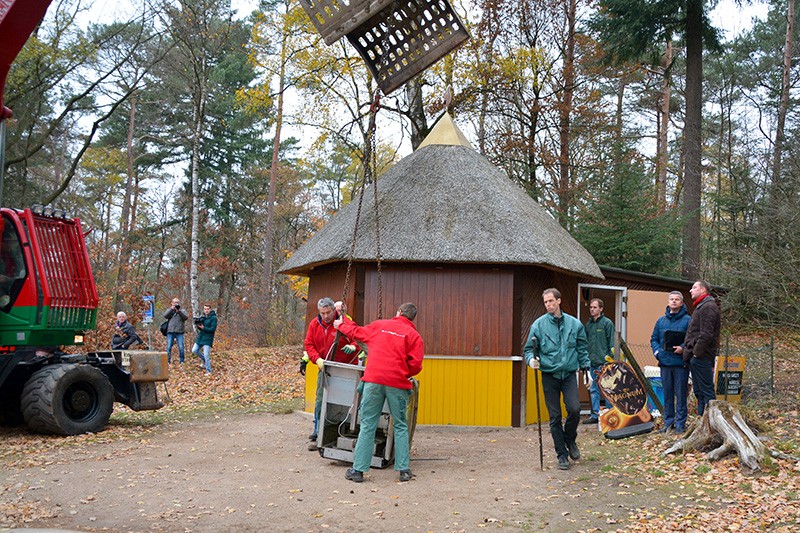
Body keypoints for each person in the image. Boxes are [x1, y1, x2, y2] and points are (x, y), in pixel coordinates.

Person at [334, 302, 424, 483]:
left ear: (398, 312)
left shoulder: (379, 325)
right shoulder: (414, 336)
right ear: (412, 318)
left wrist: (341, 321)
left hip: (373, 380)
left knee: (368, 424)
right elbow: (416, 365)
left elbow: (356, 332)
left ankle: (358, 470)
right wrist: (402, 371)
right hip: (397, 383)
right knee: (400, 425)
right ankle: (404, 470)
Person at [523, 288, 590, 471]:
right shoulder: (538, 325)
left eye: (551, 301)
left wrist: (587, 370)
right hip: (549, 375)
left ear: (559, 301)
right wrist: (531, 360)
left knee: (575, 410)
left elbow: (582, 349)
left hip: (568, 374)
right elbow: (529, 349)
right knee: (554, 417)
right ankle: (562, 455)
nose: (548, 305)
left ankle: (570, 440)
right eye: (546, 302)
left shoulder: (575, 324)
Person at [304, 297, 358, 450]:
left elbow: (359, 338)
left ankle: (343, 431)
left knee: (346, 402)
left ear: (334, 310)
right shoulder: (314, 324)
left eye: (328, 312)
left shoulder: (344, 323)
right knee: (321, 399)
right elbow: (309, 344)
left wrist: (353, 347)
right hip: (326, 368)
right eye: (322, 313)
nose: (326, 316)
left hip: (346, 368)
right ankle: (318, 431)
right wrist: (318, 359)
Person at [650, 291, 691, 433]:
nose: (674, 301)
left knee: (680, 395)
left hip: (681, 364)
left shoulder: (688, 320)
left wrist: (683, 348)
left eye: (677, 299)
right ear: (668, 302)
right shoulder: (661, 321)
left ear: (681, 303)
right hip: (665, 363)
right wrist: (657, 353)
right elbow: (654, 339)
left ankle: (680, 424)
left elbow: (692, 339)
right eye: (671, 299)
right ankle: (668, 423)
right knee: (667, 394)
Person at [683, 280, 720, 416]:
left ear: (703, 290)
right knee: (699, 391)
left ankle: (713, 421)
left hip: (702, 356)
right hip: (697, 357)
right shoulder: (701, 306)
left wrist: (697, 353)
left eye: (694, 287)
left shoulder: (708, 306)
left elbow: (706, 334)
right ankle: (702, 422)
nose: (691, 290)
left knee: (707, 391)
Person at [583, 298, 615, 425]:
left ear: (601, 309)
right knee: (593, 389)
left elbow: (612, 342)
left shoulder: (607, 323)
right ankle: (595, 415)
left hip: (604, 362)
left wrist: (610, 360)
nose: (592, 309)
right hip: (591, 362)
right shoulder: (588, 325)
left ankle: (609, 413)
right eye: (591, 307)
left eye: (595, 307)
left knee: (606, 389)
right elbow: (584, 343)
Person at [191, 304, 217, 375]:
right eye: (205, 309)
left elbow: (213, 329)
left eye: (207, 309)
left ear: (210, 309)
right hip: (201, 337)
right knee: (194, 350)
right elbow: (200, 327)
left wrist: (204, 328)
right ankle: (204, 361)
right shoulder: (203, 317)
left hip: (208, 338)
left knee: (206, 354)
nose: (206, 310)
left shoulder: (213, 318)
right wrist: (198, 325)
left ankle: (208, 370)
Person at [163, 297, 189, 364]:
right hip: (170, 331)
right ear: (172, 303)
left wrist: (179, 311)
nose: (176, 304)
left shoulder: (182, 310)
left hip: (179, 331)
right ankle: (168, 361)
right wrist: (172, 309)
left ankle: (182, 360)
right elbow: (165, 315)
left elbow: (186, 317)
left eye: (177, 302)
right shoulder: (170, 310)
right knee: (169, 346)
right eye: (175, 302)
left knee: (181, 346)